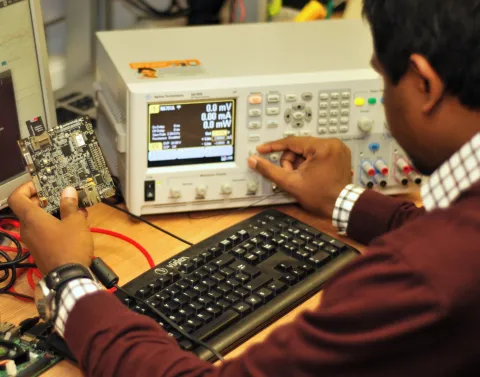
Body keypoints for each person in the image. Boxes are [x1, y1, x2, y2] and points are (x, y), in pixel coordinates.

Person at [7, 0, 480, 375]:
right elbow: (441, 233)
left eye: (382, 79)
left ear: (424, 83)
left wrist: (68, 277)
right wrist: (342, 199)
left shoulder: (418, 278)